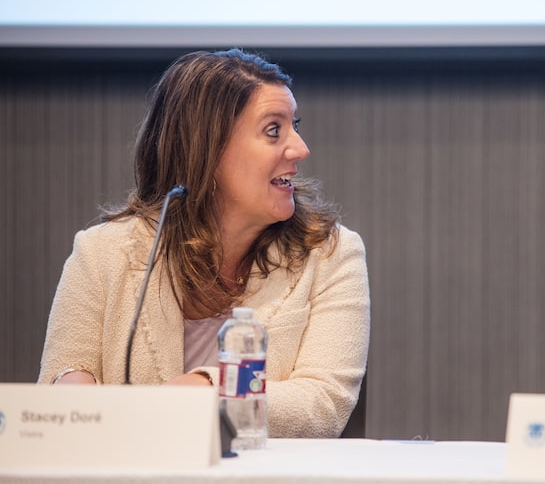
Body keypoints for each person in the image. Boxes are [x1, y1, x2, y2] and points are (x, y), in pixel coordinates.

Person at [38, 49, 370, 438]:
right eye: (274, 130)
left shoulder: (330, 254)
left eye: (294, 125)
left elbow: (322, 404)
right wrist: (70, 395)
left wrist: (204, 388)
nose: (300, 148)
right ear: (207, 150)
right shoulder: (101, 253)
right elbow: (60, 388)